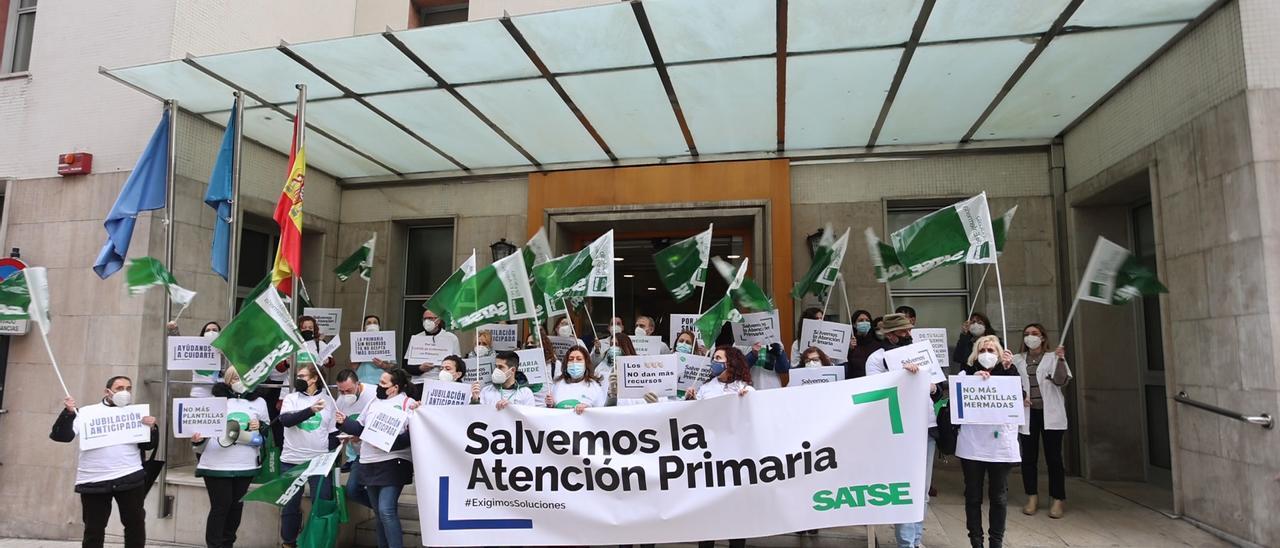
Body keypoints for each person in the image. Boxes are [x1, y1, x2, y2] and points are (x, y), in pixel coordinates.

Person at [49, 376, 159, 548]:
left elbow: (148, 445)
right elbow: (61, 436)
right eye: (119, 388)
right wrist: (69, 414)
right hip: (94, 480)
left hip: (129, 477)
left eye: (128, 388)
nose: (124, 392)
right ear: (107, 391)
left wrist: (151, 428)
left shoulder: (137, 413)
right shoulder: (86, 412)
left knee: (135, 525)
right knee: (94, 529)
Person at [866, 313, 943, 548]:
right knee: (905, 488)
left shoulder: (922, 353)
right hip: (898, 430)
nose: (908, 335)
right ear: (890, 335)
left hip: (926, 427)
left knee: (923, 490)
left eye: (909, 330)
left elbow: (939, 390)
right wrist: (902, 376)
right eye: (902, 332)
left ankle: (916, 539)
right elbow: (876, 393)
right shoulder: (876, 359)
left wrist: (931, 387)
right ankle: (906, 542)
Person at [957, 335, 1022, 548]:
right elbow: (957, 402)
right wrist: (972, 380)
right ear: (976, 353)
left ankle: (996, 542)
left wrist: (1008, 369)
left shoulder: (1009, 371)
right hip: (973, 445)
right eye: (982, 350)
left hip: (1000, 446)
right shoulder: (965, 373)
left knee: (999, 496)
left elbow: (1018, 398)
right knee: (973, 496)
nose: (987, 354)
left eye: (991, 350)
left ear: (1000, 353)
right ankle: (976, 541)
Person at [192, 368, 270, 548]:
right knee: (220, 507)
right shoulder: (213, 401)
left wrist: (260, 426)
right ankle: (214, 545)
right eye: (235, 377)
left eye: (243, 376)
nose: (239, 380)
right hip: (216, 464)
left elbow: (265, 434)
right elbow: (201, 436)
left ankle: (228, 544)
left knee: (236, 507)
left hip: (245, 464)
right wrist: (198, 439)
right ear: (227, 380)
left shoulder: (259, 402)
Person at [338, 369, 414, 548]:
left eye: (383, 384)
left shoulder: (408, 403)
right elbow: (360, 427)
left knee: (386, 510)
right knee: (380, 515)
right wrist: (344, 422)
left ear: (394, 388)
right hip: (369, 461)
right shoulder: (373, 401)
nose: (378, 386)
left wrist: (387, 442)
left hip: (394, 461)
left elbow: (411, 437)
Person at [1014, 323, 1072, 519]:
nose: (1030, 337)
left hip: (1050, 414)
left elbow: (1061, 381)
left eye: (1035, 334)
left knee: (1054, 458)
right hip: (1028, 414)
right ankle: (1032, 497)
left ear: (1043, 337)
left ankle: (1057, 499)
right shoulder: (1017, 359)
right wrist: (1021, 395)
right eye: (1027, 334)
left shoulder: (1053, 357)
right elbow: (1010, 383)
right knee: (1028, 458)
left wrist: (1061, 360)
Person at [278, 363, 337, 547]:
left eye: (303, 376)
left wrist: (332, 454)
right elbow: (286, 420)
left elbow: (332, 433)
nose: (299, 380)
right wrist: (310, 410)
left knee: (321, 503)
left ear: (314, 379)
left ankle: (315, 542)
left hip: (319, 462)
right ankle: (289, 542)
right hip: (292, 461)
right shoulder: (291, 398)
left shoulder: (328, 401)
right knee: (290, 505)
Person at [335, 369, 377, 508]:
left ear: (358, 384)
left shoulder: (374, 394)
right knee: (352, 490)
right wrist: (345, 436)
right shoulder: (340, 401)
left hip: (376, 453)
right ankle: (380, 510)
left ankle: (383, 513)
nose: (346, 394)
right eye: (342, 391)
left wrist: (361, 436)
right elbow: (340, 425)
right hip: (359, 454)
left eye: (349, 390)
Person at [406, 309, 461, 398]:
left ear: (438, 320)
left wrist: (446, 368)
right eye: (425, 319)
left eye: (431, 318)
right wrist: (420, 368)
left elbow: (458, 364)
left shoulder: (451, 338)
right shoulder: (416, 338)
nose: (427, 321)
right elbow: (407, 366)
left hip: (441, 383)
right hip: (419, 383)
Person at [166, 321, 223, 398]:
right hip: (199, 394)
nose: (211, 332)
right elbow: (180, 346)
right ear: (203, 333)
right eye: (208, 330)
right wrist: (173, 330)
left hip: (219, 394)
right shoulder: (196, 348)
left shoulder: (225, 349)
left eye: (214, 330)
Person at [546, 346, 606, 414]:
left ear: (586, 363)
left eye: (579, 359)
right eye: (571, 359)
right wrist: (550, 405)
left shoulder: (595, 387)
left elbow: (601, 414)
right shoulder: (557, 384)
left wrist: (588, 410)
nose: (574, 362)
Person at [472, 351, 536, 409]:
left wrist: (512, 408)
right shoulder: (486, 391)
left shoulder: (526, 393)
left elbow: (530, 418)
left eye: (500, 367)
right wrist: (475, 400)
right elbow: (476, 416)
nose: (496, 370)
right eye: (496, 367)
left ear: (512, 370)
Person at [687, 346, 754, 400]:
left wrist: (746, 398)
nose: (714, 361)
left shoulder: (744, 388)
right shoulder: (705, 388)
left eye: (718, 358)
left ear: (731, 363)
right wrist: (691, 400)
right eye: (713, 358)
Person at [356, 315, 396, 385]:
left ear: (379, 326)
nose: (372, 325)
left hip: (381, 382)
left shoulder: (387, 341)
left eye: (375, 323)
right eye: (368, 323)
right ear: (364, 327)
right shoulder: (358, 341)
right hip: (362, 381)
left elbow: (393, 366)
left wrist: (383, 365)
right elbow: (352, 365)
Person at [845, 309, 879, 380]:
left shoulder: (877, 343)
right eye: (861, 320)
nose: (865, 322)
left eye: (867, 320)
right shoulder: (848, 344)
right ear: (854, 324)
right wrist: (849, 349)